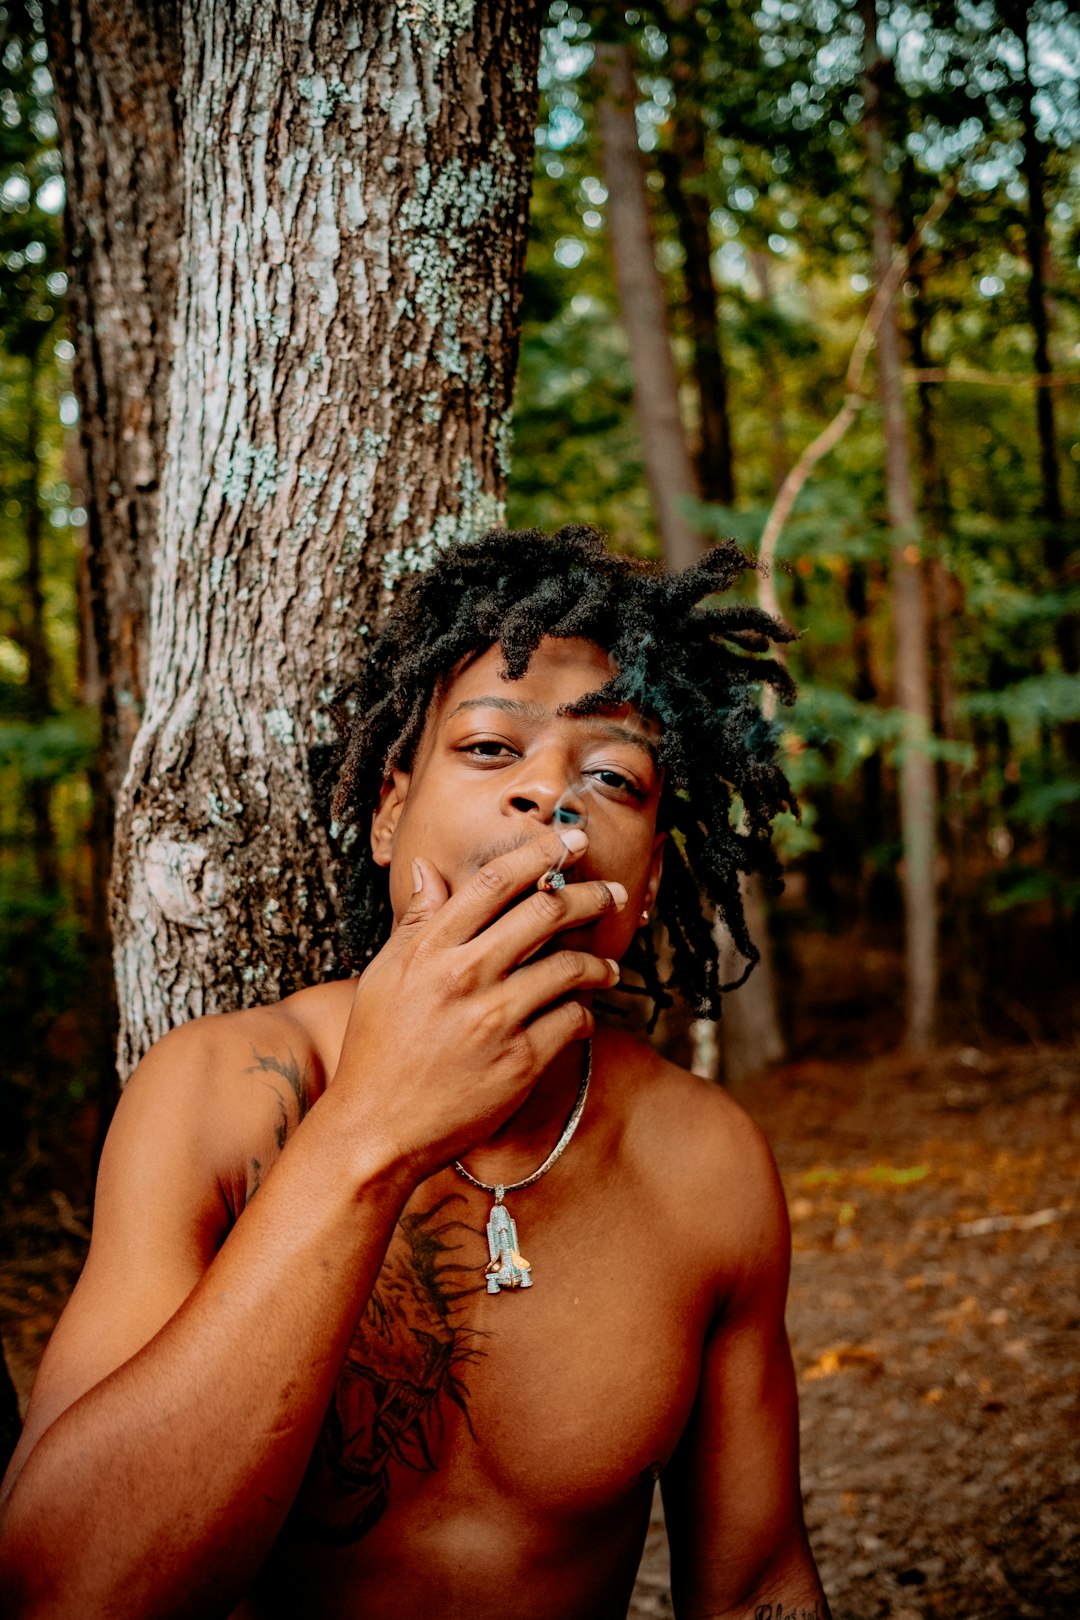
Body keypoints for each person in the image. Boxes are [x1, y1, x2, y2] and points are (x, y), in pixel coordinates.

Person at [0, 525, 830, 1620]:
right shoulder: (216, 1093)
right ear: (391, 812)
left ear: (650, 871)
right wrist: (375, 1130)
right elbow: (62, 1593)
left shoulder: (704, 1162)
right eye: (492, 749)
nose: (549, 795)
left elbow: (755, 1586)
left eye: (614, 776)